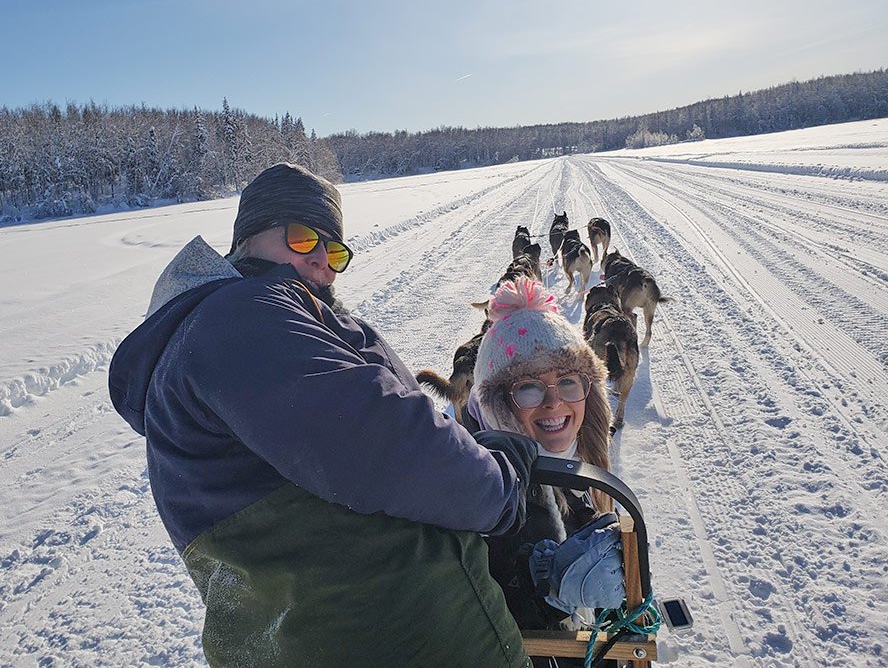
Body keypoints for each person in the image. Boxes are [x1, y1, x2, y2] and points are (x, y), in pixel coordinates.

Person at [108, 163, 539, 667]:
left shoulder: (226, 328)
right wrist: (501, 487)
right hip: (395, 640)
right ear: (248, 237)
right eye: (301, 237)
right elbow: (385, 441)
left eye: (334, 251)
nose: (322, 263)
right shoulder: (240, 317)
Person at [468, 276, 624, 633]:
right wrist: (546, 595)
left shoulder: (581, 477)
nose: (554, 402)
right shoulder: (491, 505)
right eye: (528, 387)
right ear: (498, 406)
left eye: (568, 380)